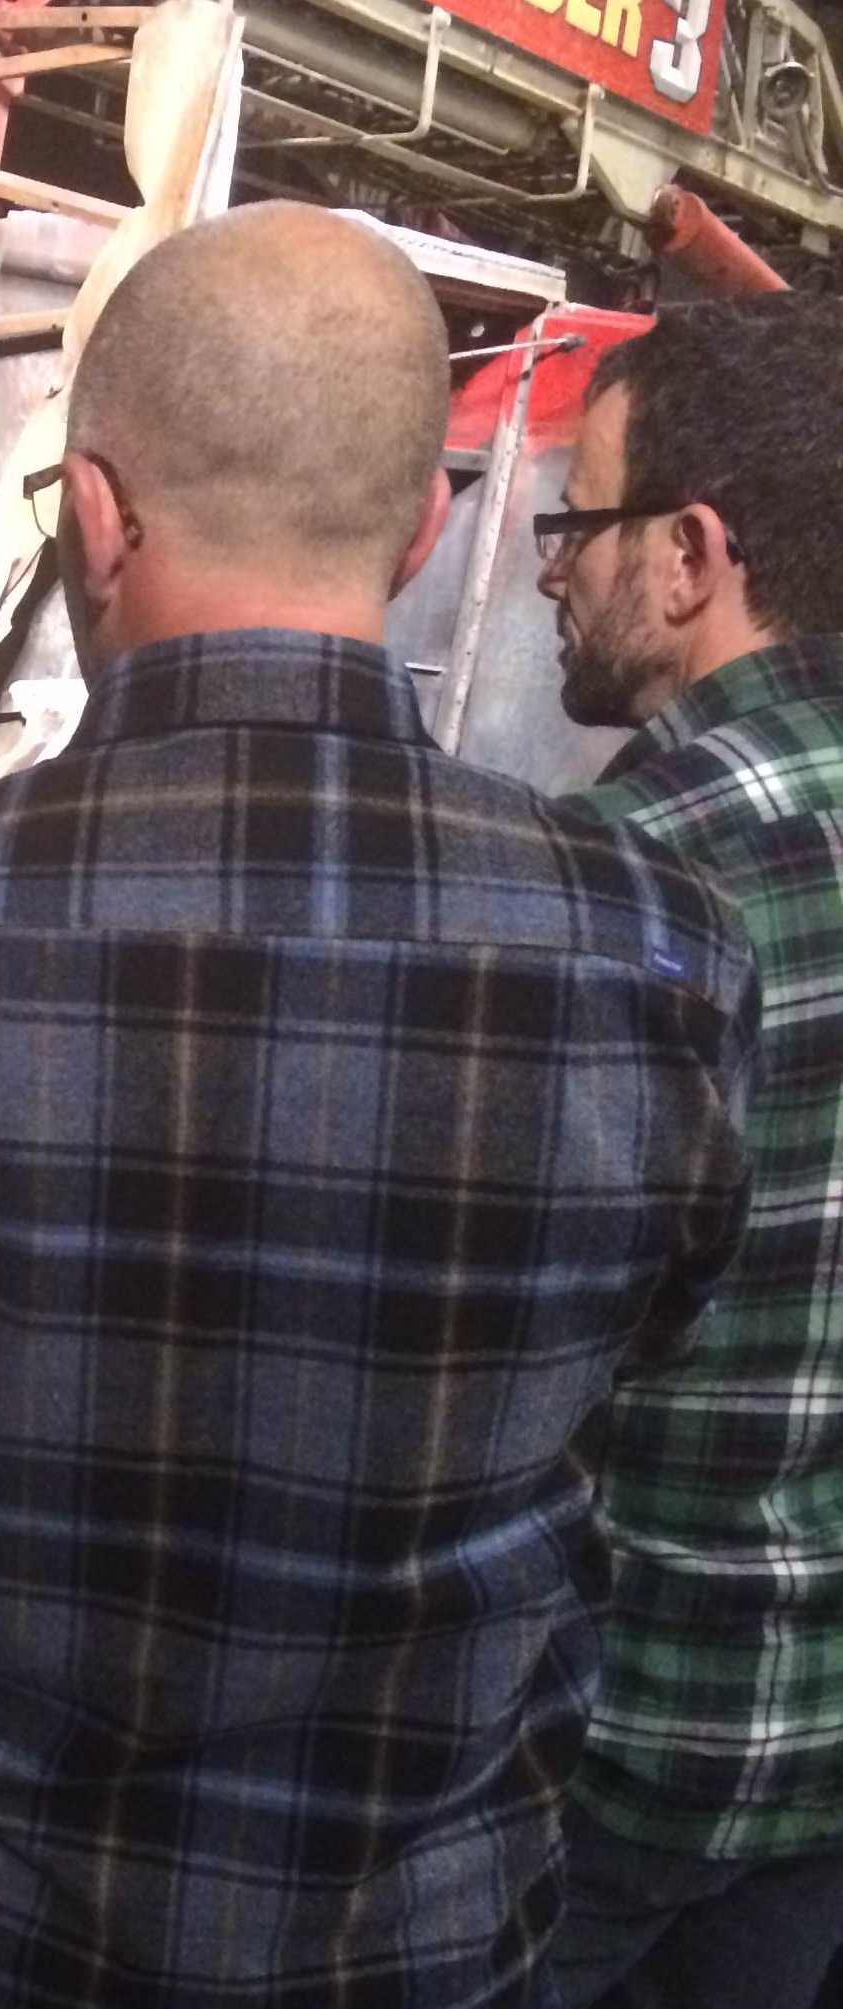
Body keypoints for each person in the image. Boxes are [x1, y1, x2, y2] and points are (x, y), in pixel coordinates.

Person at [0, 203, 760, 2009]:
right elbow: (646, 1332)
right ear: (425, 526)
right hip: (414, 1937)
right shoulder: (656, 949)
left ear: (92, 511)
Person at [534, 295, 843, 2009]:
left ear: (688, 555)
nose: (544, 571)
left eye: (576, 526)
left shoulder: (617, 879)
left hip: (630, 1736)